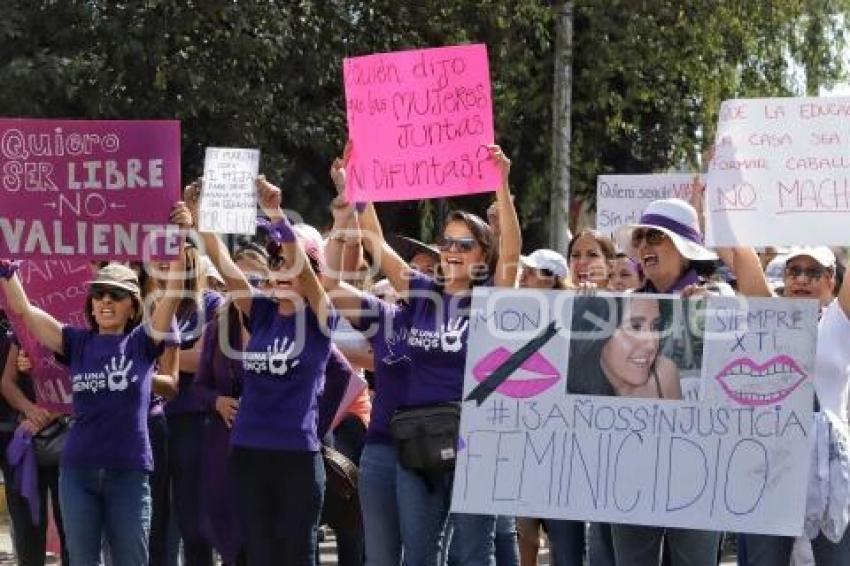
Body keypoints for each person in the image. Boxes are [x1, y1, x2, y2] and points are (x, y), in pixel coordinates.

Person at [333, 144, 520, 566]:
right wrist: (357, 180)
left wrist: (503, 185)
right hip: (415, 442)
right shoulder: (419, 293)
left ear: (482, 255)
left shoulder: (491, 300)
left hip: (474, 440)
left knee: (472, 552)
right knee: (419, 554)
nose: (453, 249)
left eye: (465, 243)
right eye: (447, 241)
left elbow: (511, 252)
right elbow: (375, 241)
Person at [0, 204, 187, 566]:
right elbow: (24, 309)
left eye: (115, 295)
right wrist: (8, 270)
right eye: (99, 293)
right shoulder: (76, 342)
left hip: (129, 473)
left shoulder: (142, 343)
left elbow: (174, 293)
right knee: (83, 560)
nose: (105, 301)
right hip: (78, 473)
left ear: (133, 306)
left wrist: (180, 235)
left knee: (131, 559)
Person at [196, 175, 337, 566]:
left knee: (296, 555)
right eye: (274, 260)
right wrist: (200, 216)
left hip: (297, 457)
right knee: (257, 553)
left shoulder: (320, 319)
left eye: (289, 261)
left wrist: (276, 214)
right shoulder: (259, 311)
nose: (281, 267)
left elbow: (306, 276)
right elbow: (225, 266)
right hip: (248, 452)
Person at [608, 197, 725, 566]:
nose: (643, 247)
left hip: (699, 470)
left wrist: (717, 317)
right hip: (631, 467)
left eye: (655, 237)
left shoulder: (720, 299)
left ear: (685, 250)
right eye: (640, 238)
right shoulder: (619, 305)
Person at [731, 245, 850, 565]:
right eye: (793, 270)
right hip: (770, 472)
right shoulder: (768, 317)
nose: (801, 279)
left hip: (828, 474)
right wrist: (712, 202)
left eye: (813, 273)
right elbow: (740, 255)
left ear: (832, 281)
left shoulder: (839, 322)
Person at [567, 295, 681, 399]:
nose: (652, 345)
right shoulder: (569, 389)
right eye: (635, 327)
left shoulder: (665, 374)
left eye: (655, 326)